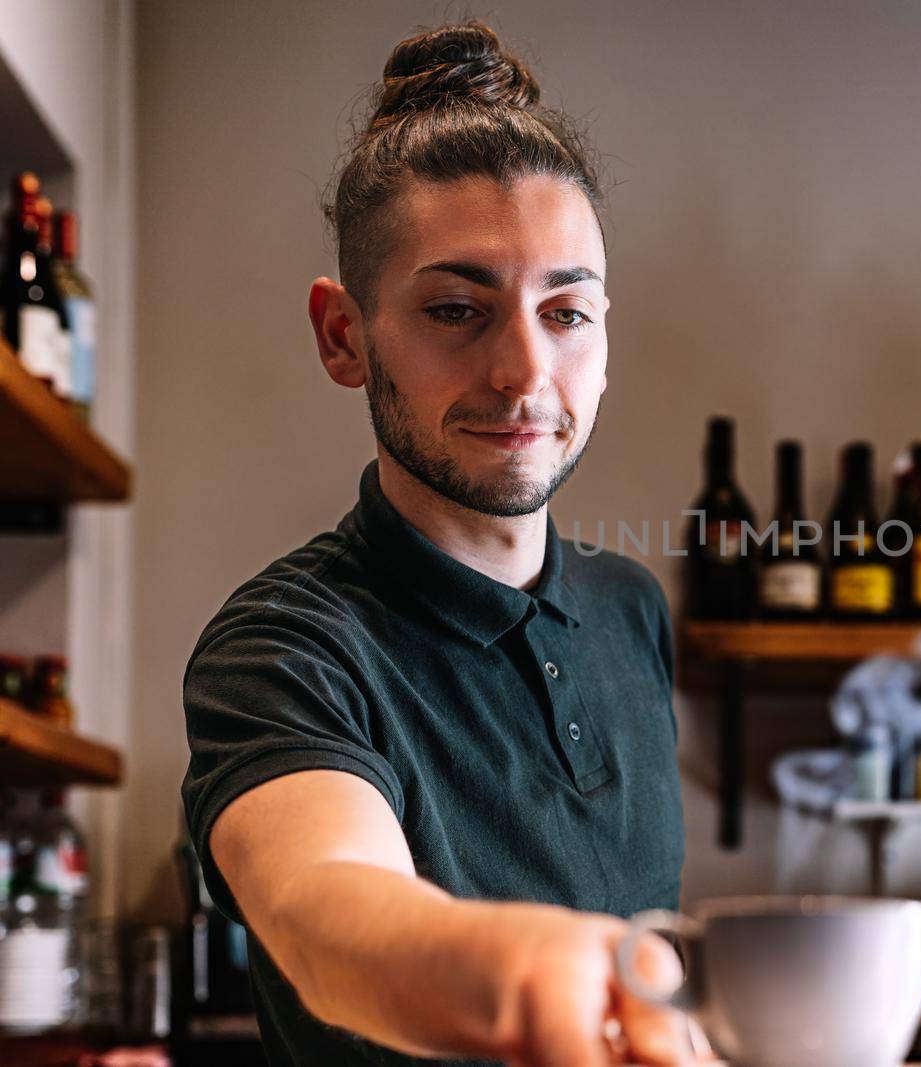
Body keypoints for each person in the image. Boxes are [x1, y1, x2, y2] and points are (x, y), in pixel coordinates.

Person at [180, 21, 693, 1067]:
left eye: (566, 312)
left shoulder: (632, 609)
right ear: (343, 335)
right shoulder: (283, 650)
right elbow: (329, 913)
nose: (522, 370)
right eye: (456, 309)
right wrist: (541, 974)